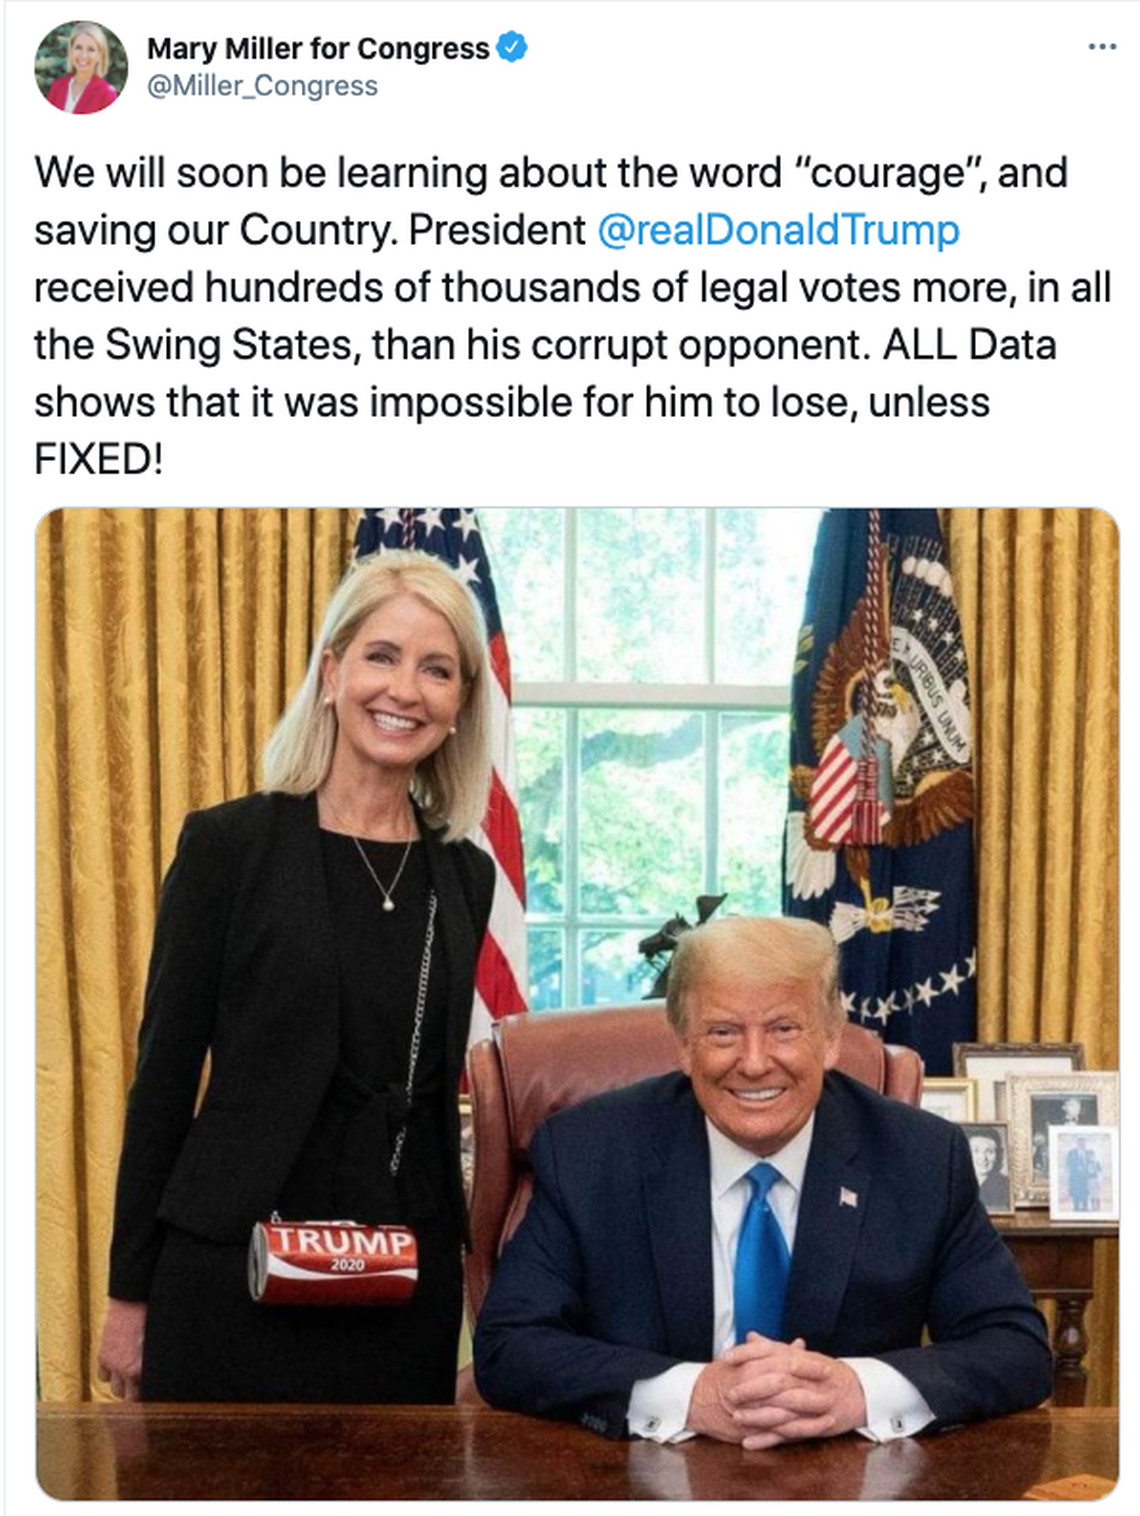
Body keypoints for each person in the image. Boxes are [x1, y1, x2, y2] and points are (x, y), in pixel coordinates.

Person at [97, 551, 495, 1403]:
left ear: (461, 706)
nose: (404, 690)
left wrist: (468, 1286)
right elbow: (162, 1082)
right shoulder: (228, 848)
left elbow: (431, 1100)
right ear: (330, 673)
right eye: (381, 656)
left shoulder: (464, 874)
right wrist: (129, 1297)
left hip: (398, 1285)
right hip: (229, 1274)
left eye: (437, 669)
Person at [474, 917, 1052, 1447]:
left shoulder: (920, 1157)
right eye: (723, 1032)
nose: (753, 1063)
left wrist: (858, 1390)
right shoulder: (590, 1151)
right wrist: (688, 1396)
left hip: (851, 1481)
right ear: (682, 1044)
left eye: (783, 1029)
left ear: (829, 1038)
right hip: (644, 1480)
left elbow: (1016, 1348)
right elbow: (510, 1346)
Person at [47, 23, 119, 113]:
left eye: (91, 49)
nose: (83, 55)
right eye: (78, 47)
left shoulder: (106, 93)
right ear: (71, 50)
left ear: (99, 55)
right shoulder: (56, 87)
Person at [967, 1128, 1011, 1211]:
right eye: (976, 1151)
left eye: (990, 1152)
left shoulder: (1005, 1185)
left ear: (998, 1155)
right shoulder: (956, 1183)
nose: (983, 1158)